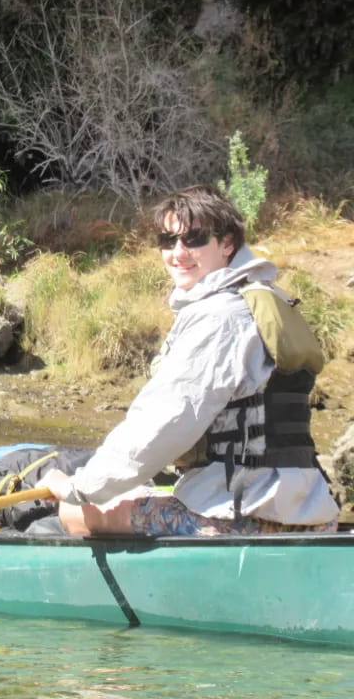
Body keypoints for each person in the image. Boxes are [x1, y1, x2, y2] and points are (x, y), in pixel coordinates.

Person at [39, 185, 339, 536]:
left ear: (227, 243)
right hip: (312, 509)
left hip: (243, 516)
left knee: (75, 513)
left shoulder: (220, 316)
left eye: (194, 239)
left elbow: (162, 423)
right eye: (167, 240)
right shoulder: (266, 297)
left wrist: (80, 488)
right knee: (134, 493)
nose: (178, 253)